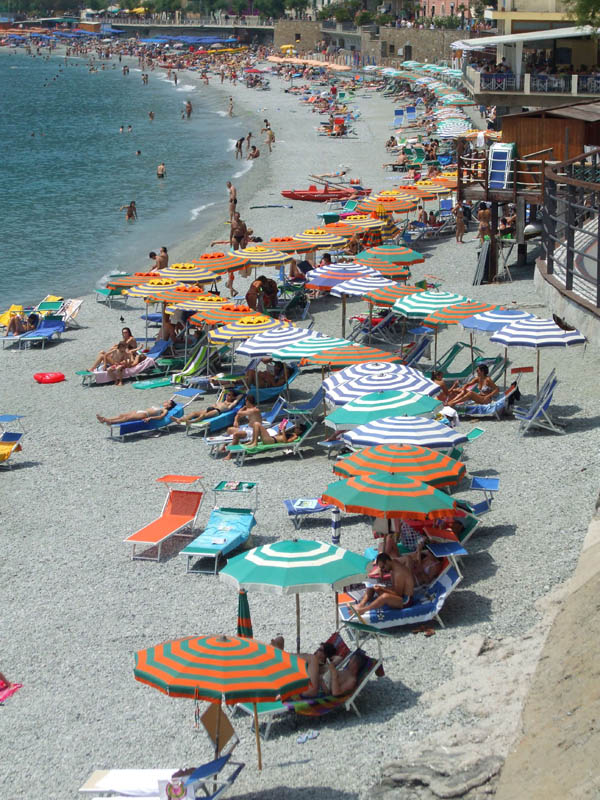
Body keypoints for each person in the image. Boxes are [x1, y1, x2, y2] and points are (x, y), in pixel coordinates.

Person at [174, 391, 240, 425]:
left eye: (229, 395)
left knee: (203, 415)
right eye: (227, 394)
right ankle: (180, 419)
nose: (227, 395)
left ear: (233, 397)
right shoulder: (222, 401)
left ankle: (192, 421)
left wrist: (241, 393)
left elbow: (240, 396)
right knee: (194, 413)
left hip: (217, 411)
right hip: (210, 408)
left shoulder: (231, 404)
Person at [96, 399, 176, 426]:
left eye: (167, 402)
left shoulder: (165, 410)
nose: (165, 402)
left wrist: (150, 417)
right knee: (122, 415)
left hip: (144, 414)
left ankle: (109, 421)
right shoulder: (161, 407)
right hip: (140, 411)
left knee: (126, 418)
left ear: (169, 406)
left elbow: (161, 417)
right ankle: (104, 419)